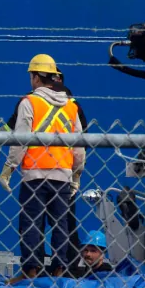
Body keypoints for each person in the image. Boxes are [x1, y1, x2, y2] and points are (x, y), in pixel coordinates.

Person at [0, 54, 85, 279]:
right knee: (61, 224)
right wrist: (77, 174)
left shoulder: (30, 102)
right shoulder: (71, 106)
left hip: (34, 175)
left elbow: (21, 140)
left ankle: (31, 271)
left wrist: (9, 168)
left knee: (31, 224)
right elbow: (79, 146)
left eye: (31, 75)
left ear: (36, 77)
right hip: (63, 175)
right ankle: (59, 269)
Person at [54, 68, 87, 267]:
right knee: (64, 220)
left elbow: (81, 140)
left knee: (62, 220)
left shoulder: (72, 106)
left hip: (56, 170)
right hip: (63, 171)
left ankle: (66, 262)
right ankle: (65, 263)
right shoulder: (73, 106)